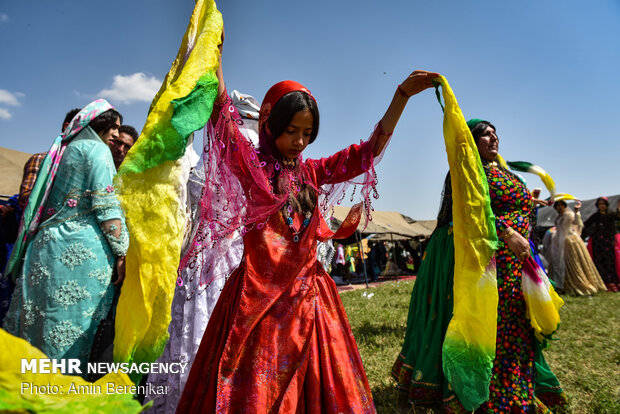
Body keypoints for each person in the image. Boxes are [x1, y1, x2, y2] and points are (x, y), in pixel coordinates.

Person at [175, 27, 439, 412]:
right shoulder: (252, 170)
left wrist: (400, 96)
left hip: (309, 296)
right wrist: (215, 55)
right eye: (291, 131)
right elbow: (223, 116)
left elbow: (367, 152)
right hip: (256, 300)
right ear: (268, 124)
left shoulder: (312, 172)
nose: (299, 141)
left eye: (308, 133)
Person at [392, 119, 568, 413]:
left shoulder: (501, 170)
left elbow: (507, 204)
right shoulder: (468, 170)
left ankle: (519, 381)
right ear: (472, 141)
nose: (493, 137)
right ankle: (489, 388)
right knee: (493, 322)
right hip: (489, 259)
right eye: (484, 134)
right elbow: (470, 210)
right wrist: (508, 233)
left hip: (517, 261)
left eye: (494, 132)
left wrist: (529, 204)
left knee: (516, 320)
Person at [3, 99, 129, 368]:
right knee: (68, 333)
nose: (117, 134)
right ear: (101, 124)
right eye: (115, 126)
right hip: (77, 255)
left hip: (45, 248)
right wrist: (121, 251)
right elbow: (106, 206)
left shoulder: (66, 150)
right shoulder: (96, 150)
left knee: (37, 329)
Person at [549, 200, 606, 295]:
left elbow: (577, 222)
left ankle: (579, 285)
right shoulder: (559, 216)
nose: (559, 207)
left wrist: (576, 211)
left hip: (570, 241)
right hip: (559, 242)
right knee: (559, 264)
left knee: (574, 264)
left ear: (564, 206)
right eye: (557, 205)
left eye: (561, 205)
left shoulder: (570, 214)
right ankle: (562, 286)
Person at [582, 197, 620, 292]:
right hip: (598, 244)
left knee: (611, 262)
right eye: (600, 204)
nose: (601, 205)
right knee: (599, 263)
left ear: (606, 204)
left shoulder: (611, 214)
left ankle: (613, 283)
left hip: (609, 243)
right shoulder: (595, 216)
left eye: (603, 203)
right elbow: (585, 224)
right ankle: (603, 283)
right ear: (597, 205)